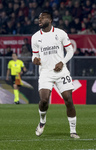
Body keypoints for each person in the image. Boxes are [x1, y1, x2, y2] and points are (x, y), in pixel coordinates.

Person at [31, 11, 80, 139]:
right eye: (39, 18)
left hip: (61, 71)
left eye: (42, 18)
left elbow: (70, 51)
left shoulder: (60, 33)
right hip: (45, 72)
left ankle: (73, 131)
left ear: (50, 20)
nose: (39, 20)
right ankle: (42, 121)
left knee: (68, 99)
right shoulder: (35, 37)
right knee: (44, 100)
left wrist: (62, 62)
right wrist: (34, 60)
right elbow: (34, 55)